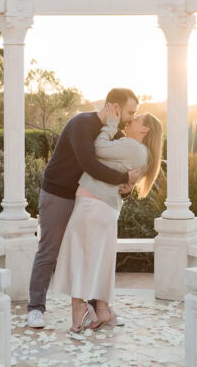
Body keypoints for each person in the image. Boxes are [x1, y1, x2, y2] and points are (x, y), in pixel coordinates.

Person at [26, 88, 140, 329]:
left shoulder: (115, 134)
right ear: (115, 107)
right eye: (129, 111)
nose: (131, 117)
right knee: (49, 250)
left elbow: (121, 167)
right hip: (58, 194)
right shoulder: (81, 124)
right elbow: (88, 163)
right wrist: (123, 177)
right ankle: (36, 308)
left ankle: (98, 308)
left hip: (87, 199)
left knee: (89, 252)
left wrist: (127, 186)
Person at [52, 104, 163, 331]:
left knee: (80, 257)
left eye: (136, 119)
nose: (130, 121)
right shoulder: (142, 153)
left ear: (145, 130)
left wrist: (111, 124)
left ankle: (79, 311)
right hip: (104, 207)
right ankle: (102, 309)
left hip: (93, 204)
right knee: (99, 259)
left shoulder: (132, 147)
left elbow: (98, 149)